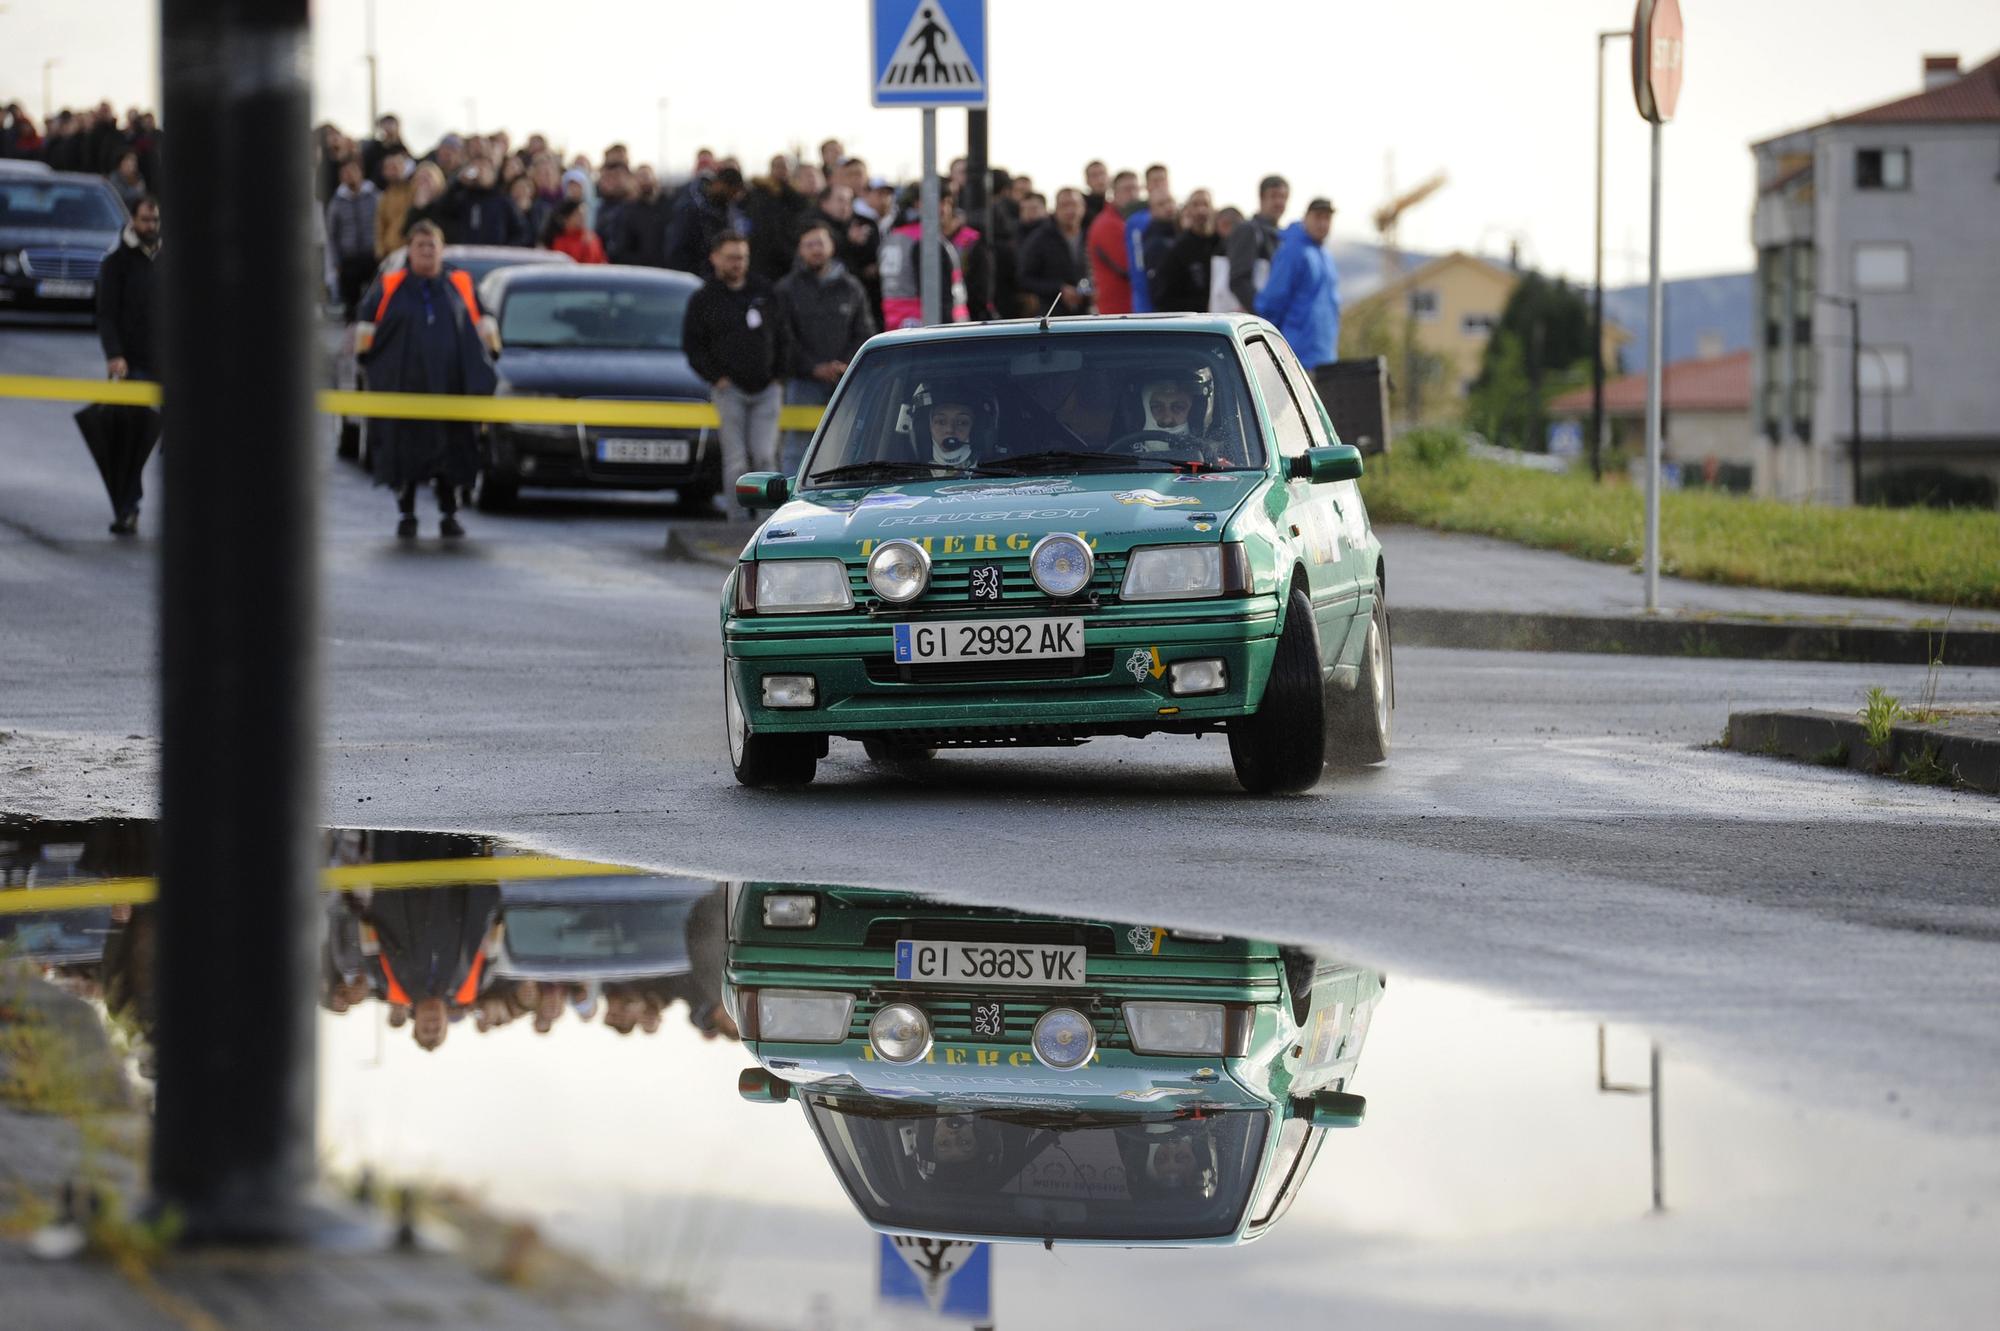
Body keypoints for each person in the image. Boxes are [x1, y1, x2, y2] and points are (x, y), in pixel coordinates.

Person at [356, 222, 497, 538]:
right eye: (420, 245)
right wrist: (368, 365)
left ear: (441, 249)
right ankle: (407, 513)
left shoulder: (459, 283)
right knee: (405, 452)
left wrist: (489, 360)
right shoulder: (390, 284)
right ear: (409, 250)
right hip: (405, 387)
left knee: (453, 450)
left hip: (451, 387)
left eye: (432, 245)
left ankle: (450, 513)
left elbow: (485, 325)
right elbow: (366, 327)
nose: (427, 251)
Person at [682, 232, 781, 498]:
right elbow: (693, 346)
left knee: (764, 459)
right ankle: (736, 526)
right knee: (735, 462)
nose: (737, 264)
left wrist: (780, 375)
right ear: (715, 258)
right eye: (731, 258)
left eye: (742, 258)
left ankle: (766, 526)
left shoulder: (764, 292)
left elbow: (785, 334)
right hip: (729, 389)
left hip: (766, 388)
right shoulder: (704, 300)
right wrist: (715, 377)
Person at [773, 221, 875, 475]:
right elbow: (783, 337)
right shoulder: (786, 289)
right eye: (809, 245)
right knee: (797, 448)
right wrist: (812, 368)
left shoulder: (851, 288)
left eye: (820, 243)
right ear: (799, 250)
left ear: (832, 246)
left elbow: (864, 331)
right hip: (802, 382)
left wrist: (844, 365)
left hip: (845, 382)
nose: (815, 250)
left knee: (848, 446)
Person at [91, 195, 161, 535]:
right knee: (133, 438)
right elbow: (106, 314)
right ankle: (128, 507)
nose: (151, 227)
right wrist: (114, 354)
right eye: (146, 220)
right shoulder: (116, 261)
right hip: (133, 361)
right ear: (132, 220)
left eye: (155, 221)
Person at [1255, 197, 1341, 368]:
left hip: (1324, 355)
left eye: (1327, 218)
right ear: (1305, 217)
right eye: (1318, 217)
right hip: (1296, 357)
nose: (1323, 223)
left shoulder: (1325, 255)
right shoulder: (1292, 251)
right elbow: (1272, 303)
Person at [1017, 186, 1090, 317]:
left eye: (1074, 205)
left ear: (1083, 207)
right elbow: (1024, 278)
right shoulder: (1040, 239)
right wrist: (1058, 289)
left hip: (1089, 314)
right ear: (1055, 209)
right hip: (1052, 316)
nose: (1070, 210)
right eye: (1064, 205)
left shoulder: (1091, 236)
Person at [1223, 174, 1288, 314]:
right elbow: (1238, 279)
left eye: (1283, 197)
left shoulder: (1281, 236)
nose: (1279, 202)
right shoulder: (1248, 230)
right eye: (1274, 196)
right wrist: (1262, 311)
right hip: (1256, 321)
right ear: (1262, 198)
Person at [663, 166, 745, 278]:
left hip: (716, 276)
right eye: (731, 193)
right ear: (720, 184)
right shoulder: (689, 206)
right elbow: (677, 247)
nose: (732, 198)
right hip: (692, 276)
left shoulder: (726, 210)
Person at [325, 155, 380, 319]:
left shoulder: (375, 196)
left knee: (374, 302)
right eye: (345, 172)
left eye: (352, 171)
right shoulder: (336, 202)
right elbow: (332, 235)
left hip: (372, 257)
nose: (349, 175)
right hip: (349, 260)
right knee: (351, 305)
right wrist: (336, 262)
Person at [1153, 190, 1219, 313]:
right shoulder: (1178, 250)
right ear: (1188, 211)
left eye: (1205, 204)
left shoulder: (1223, 244)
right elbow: (1164, 298)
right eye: (1196, 205)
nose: (1201, 210)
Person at [1087, 171, 1140, 315]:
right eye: (1127, 189)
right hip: (1118, 311)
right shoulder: (1108, 224)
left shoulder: (1127, 221)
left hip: (1128, 308)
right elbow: (1129, 266)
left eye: (1136, 188)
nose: (1133, 194)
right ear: (1114, 193)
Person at [611, 165, 670, 266]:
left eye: (646, 176)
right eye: (640, 177)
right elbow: (620, 249)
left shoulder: (669, 206)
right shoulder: (626, 212)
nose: (644, 181)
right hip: (641, 272)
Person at [373, 150, 413, 258]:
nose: (393, 171)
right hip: (391, 251)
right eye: (389, 168)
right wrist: (380, 249)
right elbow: (380, 225)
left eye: (396, 166)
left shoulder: (413, 190)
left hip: (411, 248)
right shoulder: (385, 197)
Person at [544, 198, 607, 262]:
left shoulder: (593, 237)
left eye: (583, 214)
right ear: (566, 218)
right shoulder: (560, 242)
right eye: (577, 214)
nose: (582, 218)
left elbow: (601, 260)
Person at [1081, 159, 1109, 229]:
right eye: (1094, 175)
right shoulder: (1081, 208)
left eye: (1102, 174)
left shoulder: (1114, 207)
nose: (1100, 179)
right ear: (1087, 180)